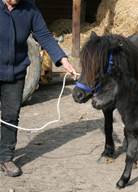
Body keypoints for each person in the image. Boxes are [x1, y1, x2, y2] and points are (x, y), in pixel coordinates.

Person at [0, 0, 78, 177]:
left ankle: (5, 157)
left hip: (16, 72)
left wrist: (63, 60)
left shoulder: (30, 8)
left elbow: (44, 36)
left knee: (11, 115)